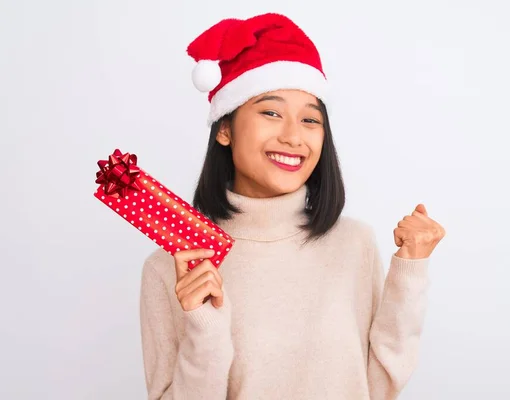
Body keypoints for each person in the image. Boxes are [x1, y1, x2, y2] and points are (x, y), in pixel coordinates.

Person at [139, 12, 446, 400]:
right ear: (224, 127)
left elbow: (379, 386)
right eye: (271, 112)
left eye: (310, 120)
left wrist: (410, 270)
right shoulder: (172, 266)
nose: (292, 137)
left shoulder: (355, 244)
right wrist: (204, 327)